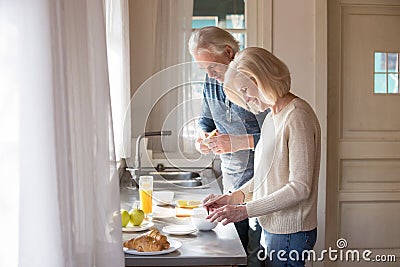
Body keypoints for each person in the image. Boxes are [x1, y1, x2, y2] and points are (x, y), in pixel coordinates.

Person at [203, 47, 321, 267]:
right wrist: (232, 198)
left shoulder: (297, 116)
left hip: (290, 233)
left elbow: (300, 187)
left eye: (246, 90)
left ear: (262, 78)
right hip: (273, 228)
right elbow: (266, 177)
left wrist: (244, 211)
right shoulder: (272, 117)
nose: (247, 101)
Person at [189, 27, 267, 267]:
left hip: (260, 184)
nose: (210, 74)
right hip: (230, 181)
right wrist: (203, 137)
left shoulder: (253, 80)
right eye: (204, 69)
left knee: (255, 254)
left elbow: (275, 135)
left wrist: (236, 142)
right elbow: (206, 120)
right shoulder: (211, 82)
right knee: (235, 251)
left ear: (229, 52)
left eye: (212, 67)